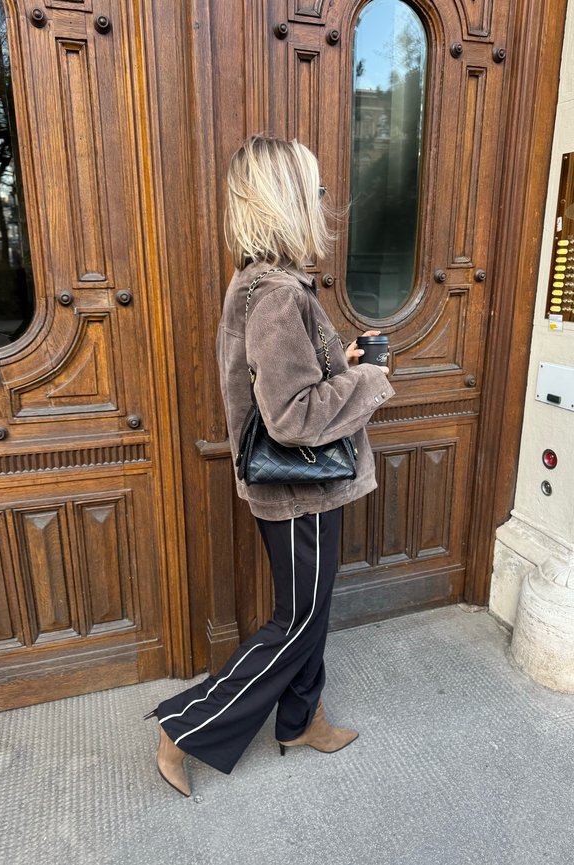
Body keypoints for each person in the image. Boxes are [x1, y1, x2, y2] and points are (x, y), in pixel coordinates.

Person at [143, 134, 395, 796]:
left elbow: (286, 386)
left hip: (301, 485)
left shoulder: (267, 284)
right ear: (286, 201)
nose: (322, 200)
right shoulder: (276, 292)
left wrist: (338, 358)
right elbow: (294, 418)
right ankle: (185, 727)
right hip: (297, 489)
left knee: (309, 611)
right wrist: (371, 380)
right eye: (312, 190)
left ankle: (300, 718)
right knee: (296, 622)